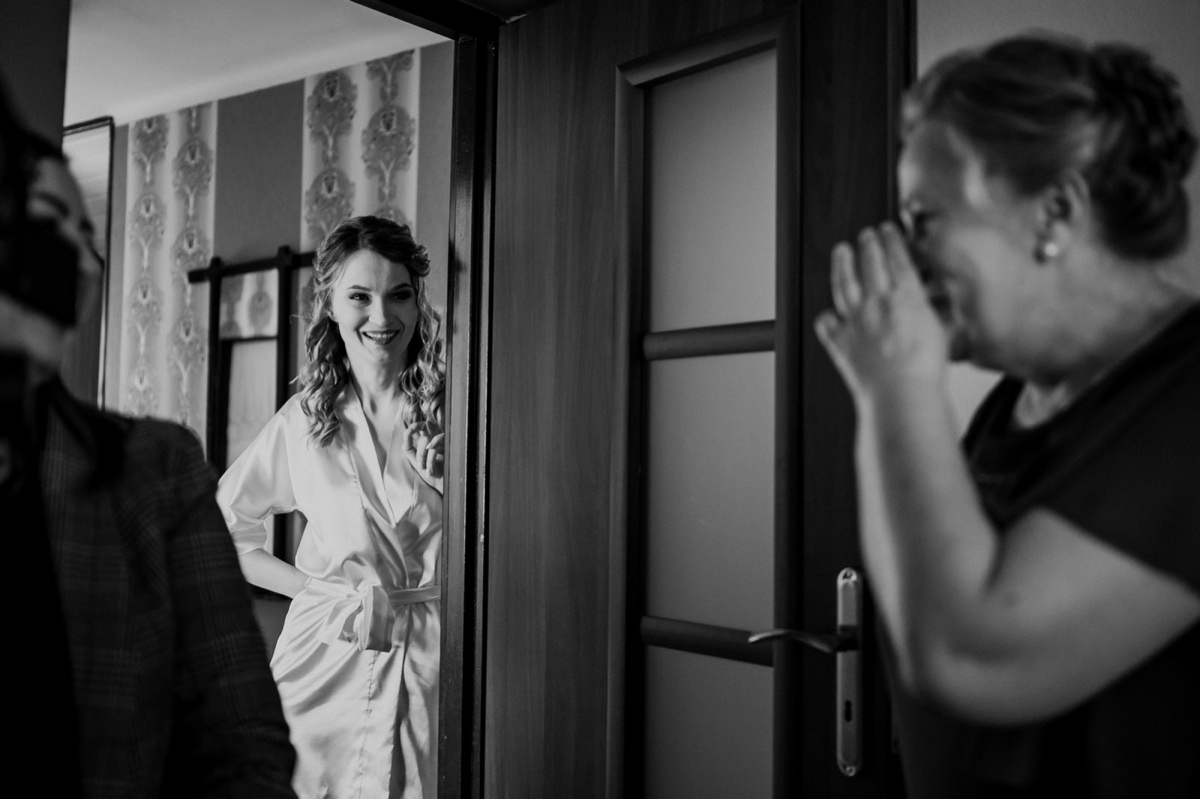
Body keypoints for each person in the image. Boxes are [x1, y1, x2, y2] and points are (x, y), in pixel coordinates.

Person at [814, 33, 1199, 797]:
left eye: (925, 218)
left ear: (1054, 212)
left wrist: (897, 385)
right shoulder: (1011, 404)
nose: (906, 255)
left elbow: (967, 655)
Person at [1, 85, 297, 797]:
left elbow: (241, 741)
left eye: (87, 237)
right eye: (48, 221)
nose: (79, 261)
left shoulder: (155, 469)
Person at [216, 215, 447, 798]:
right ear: (331, 306)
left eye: (399, 294)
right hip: (321, 658)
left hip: (431, 658)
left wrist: (452, 484)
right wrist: (311, 590)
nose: (381, 316)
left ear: (418, 303)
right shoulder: (304, 421)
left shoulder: (456, 413)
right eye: (360, 296)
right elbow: (223, 526)